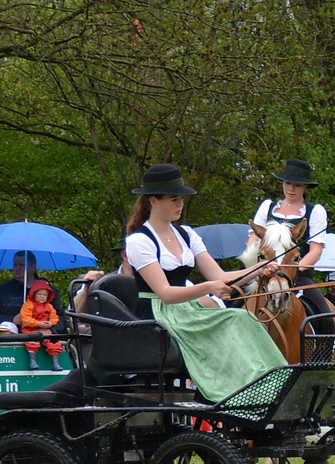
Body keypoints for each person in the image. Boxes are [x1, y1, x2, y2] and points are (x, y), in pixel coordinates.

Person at [123, 163, 286, 402]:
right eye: (173, 199)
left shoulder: (187, 234)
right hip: (159, 314)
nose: (180, 204)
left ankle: (273, 382)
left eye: (181, 199)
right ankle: (236, 393)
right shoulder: (139, 241)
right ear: (153, 201)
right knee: (235, 318)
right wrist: (208, 289)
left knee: (244, 317)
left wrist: (261, 269)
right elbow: (165, 293)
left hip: (189, 310)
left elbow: (220, 277)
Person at [248, 159, 335, 325]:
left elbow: (315, 251)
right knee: (228, 300)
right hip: (261, 272)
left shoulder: (315, 211)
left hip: (298, 275)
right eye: (288, 183)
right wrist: (260, 267)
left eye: (297, 185)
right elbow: (252, 241)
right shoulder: (267, 207)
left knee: (327, 320)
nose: (291, 189)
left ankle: (325, 349)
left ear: (305, 186)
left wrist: (290, 269)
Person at [0, 251, 40, 331]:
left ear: (32, 267)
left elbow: (60, 319)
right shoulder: (1, 290)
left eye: (22, 265)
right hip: (10, 339)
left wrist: (49, 330)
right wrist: (12, 319)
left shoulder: (48, 291)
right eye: (15, 265)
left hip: (40, 339)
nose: (17, 269)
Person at [15, 281, 65, 371]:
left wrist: (51, 323)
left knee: (54, 343)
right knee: (32, 343)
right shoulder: (28, 305)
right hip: (30, 330)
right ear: (34, 294)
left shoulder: (49, 306)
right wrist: (37, 323)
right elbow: (25, 319)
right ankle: (32, 362)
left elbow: (55, 317)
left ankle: (55, 363)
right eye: (39, 294)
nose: (42, 296)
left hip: (45, 330)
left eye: (45, 295)